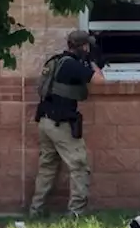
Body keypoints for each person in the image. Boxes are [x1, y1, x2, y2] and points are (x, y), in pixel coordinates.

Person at [29, 30, 105, 218]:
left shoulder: (56, 61)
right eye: (87, 46)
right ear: (83, 46)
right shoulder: (72, 65)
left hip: (45, 121)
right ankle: (76, 214)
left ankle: (36, 210)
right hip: (60, 124)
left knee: (48, 167)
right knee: (79, 165)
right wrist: (94, 63)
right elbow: (100, 81)